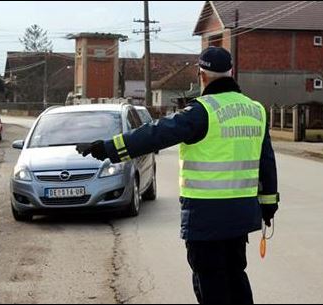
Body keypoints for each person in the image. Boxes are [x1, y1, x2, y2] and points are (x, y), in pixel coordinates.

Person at [76, 46, 279, 304]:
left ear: (201, 75)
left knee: (210, 283)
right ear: (232, 72)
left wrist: (108, 148)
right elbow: (267, 163)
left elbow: (155, 133)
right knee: (235, 276)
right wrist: (269, 205)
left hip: (206, 217)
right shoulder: (256, 110)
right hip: (241, 215)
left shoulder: (202, 111)